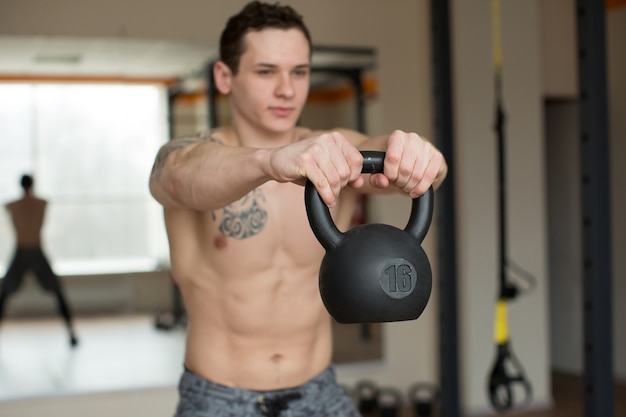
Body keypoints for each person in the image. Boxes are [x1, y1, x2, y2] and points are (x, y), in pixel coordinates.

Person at [149, 2, 448, 416]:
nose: (287, 89)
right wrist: (269, 161)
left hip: (318, 393)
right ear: (224, 76)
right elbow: (178, 177)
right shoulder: (191, 155)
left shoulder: (337, 150)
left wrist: (421, 156)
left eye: (300, 72)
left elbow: (405, 159)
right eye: (266, 71)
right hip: (219, 400)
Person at [0, 174, 78, 347]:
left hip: (27, 250)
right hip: (30, 250)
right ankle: (71, 332)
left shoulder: (15, 206)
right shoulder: (38, 204)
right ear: (32, 185)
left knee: (4, 293)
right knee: (56, 291)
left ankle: (72, 332)